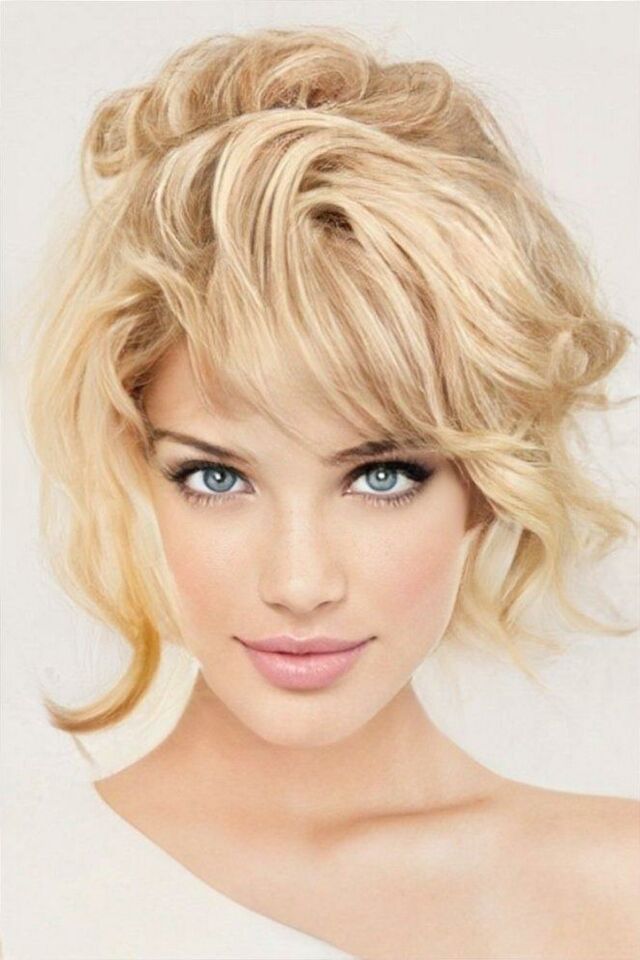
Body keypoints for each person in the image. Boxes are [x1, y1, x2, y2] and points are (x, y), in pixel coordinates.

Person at [19, 25, 639, 960]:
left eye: (381, 476)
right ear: (135, 470)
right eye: (217, 477)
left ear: (485, 484)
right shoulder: (28, 889)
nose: (299, 584)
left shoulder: (618, 888)